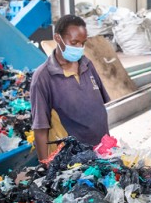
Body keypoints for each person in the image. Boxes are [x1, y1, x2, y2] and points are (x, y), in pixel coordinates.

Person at [30, 14, 110, 161]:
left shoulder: (86, 64)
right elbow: (40, 128)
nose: (79, 48)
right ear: (58, 38)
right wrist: (44, 165)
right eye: (74, 43)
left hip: (102, 150)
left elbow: (98, 107)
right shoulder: (43, 77)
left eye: (82, 43)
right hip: (72, 159)